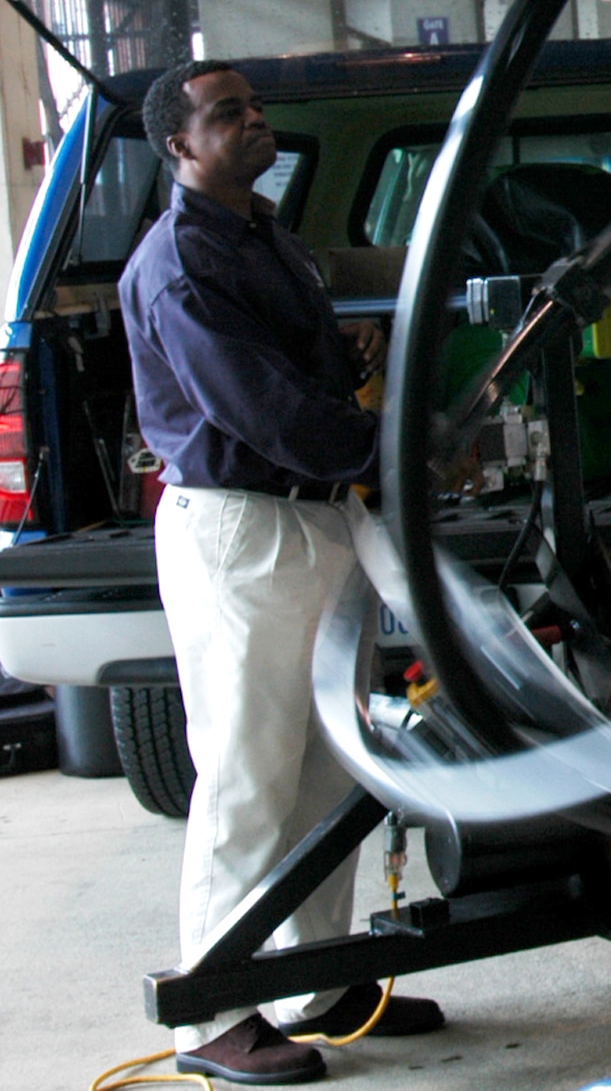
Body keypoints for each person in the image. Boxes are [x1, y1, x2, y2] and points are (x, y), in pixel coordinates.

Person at [120, 60, 445, 1086]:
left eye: (255, 109)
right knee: (248, 774)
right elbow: (260, 411)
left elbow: (294, 381)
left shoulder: (264, 236)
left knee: (325, 759)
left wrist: (344, 364)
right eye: (228, 114)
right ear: (179, 145)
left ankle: (316, 978)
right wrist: (389, 442)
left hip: (309, 521)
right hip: (242, 533)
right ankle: (211, 1015)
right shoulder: (180, 260)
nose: (253, 123)